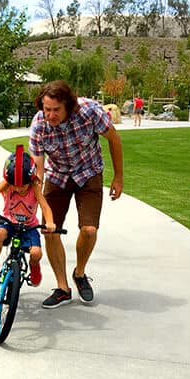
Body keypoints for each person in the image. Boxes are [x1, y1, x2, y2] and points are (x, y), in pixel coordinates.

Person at [28, 80, 124, 309]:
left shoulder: (89, 111)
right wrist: (35, 198)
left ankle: (79, 273)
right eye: (46, 109)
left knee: (89, 230)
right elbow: (39, 166)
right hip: (58, 176)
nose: (50, 115)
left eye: (55, 110)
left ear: (68, 106)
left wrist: (118, 177)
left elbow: (114, 138)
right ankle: (62, 288)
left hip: (88, 173)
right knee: (50, 229)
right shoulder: (39, 124)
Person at [0, 146, 55, 295]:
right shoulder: (7, 184)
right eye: (15, 185)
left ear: (31, 179)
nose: (19, 189)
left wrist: (50, 222)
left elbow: (45, 207)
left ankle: (34, 266)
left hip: (29, 227)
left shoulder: (35, 188)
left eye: (23, 185)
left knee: (36, 253)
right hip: (9, 222)